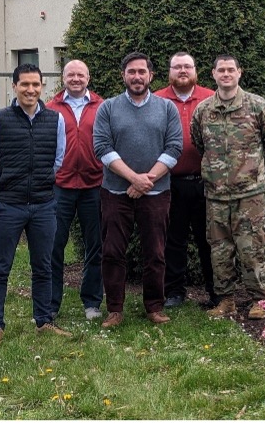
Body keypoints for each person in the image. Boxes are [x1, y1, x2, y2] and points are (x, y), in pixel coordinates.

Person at [0, 63, 72, 345]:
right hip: (8, 206)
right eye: (25, 84)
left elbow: (58, 158)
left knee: (43, 266)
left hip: (43, 206)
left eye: (36, 84)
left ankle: (44, 321)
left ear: (42, 87)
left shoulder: (55, 121)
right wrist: (3, 186)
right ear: (14, 86)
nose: (30, 90)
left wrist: (40, 183)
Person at [93, 52, 182, 327]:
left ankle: (154, 306)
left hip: (156, 193)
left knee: (155, 253)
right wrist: (134, 178)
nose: (137, 76)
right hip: (115, 193)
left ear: (151, 75)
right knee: (112, 252)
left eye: (142, 71)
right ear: (123, 76)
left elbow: (174, 147)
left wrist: (148, 181)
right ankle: (115, 310)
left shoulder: (167, 108)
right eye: (131, 72)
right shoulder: (107, 108)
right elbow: (102, 148)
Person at [190, 54, 265, 319]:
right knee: (219, 250)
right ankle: (226, 300)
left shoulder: (258, 106)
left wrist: (253, 171)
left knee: (252, 248)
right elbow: (199, 143)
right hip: (216, 195)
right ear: (214, 74)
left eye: (231, 69)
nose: (226, 74)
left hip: (250, 195)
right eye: (221, 70)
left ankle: (260, 301)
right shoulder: (204, 110)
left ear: (239, 73)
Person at [154, 52, 217, 309]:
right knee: (173, 240)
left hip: (205, 182)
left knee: (209, 240)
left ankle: (215, 293)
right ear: (169, 71)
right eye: (177, 67)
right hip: (170, 182)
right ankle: (175, 292)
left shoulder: (211, 98)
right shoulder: (157, 100)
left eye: (187, 66)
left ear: (195, 70)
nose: (182, 71)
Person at [46, 60, 104, 321]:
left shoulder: (102, 107)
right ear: (63, 78)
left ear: (88, 78)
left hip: (94, 185)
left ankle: (92, 303)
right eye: (71, 75)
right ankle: (50, 304)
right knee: (53, 246)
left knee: (96, 246)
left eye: (80, 74)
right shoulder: (50, 108)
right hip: (61, 187)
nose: (76, 79)